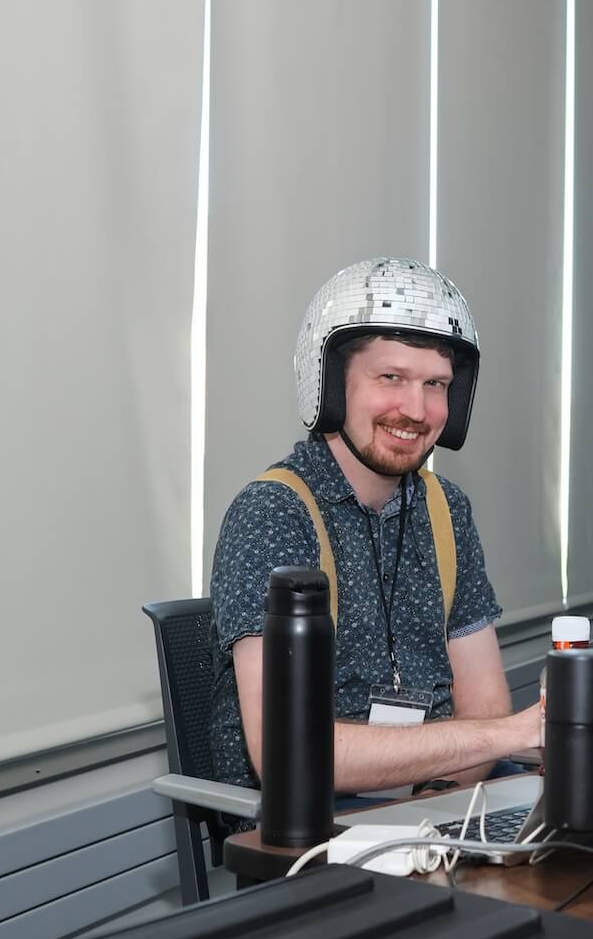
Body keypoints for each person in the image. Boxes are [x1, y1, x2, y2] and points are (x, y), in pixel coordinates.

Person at [207, 258, 541, 823]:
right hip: (312, 835)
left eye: (435, 385)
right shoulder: (274, 513)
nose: (416, 410)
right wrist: (508, 736)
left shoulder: (445, 510)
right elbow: (290, 752)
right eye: (391, 378)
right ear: (330, 385)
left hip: (442, 806)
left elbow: (483, 701)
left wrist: (431, 813)